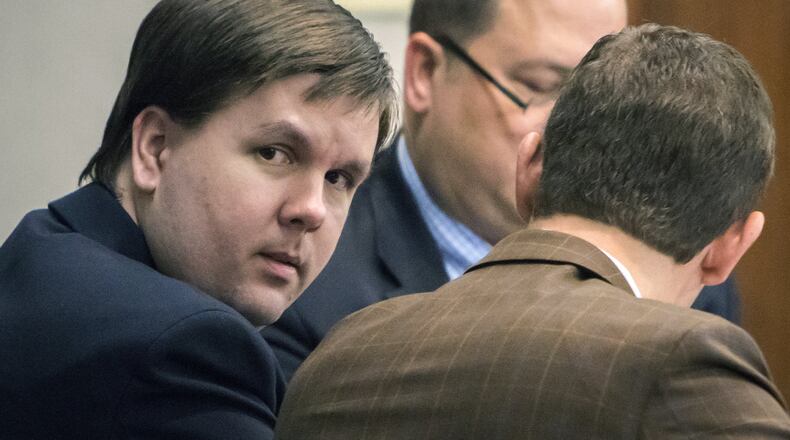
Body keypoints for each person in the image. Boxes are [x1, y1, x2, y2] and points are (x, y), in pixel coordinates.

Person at [275, 23, 790, 439]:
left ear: (529, 175)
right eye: (537, 82)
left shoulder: (339, 356)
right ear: (729, 247)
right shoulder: (686, 361)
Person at [0, 0, 397, 438]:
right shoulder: (182, 349)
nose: (312, 209)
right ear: (155, 147)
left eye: (338, 178)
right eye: (274, 153)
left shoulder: (42, 252)